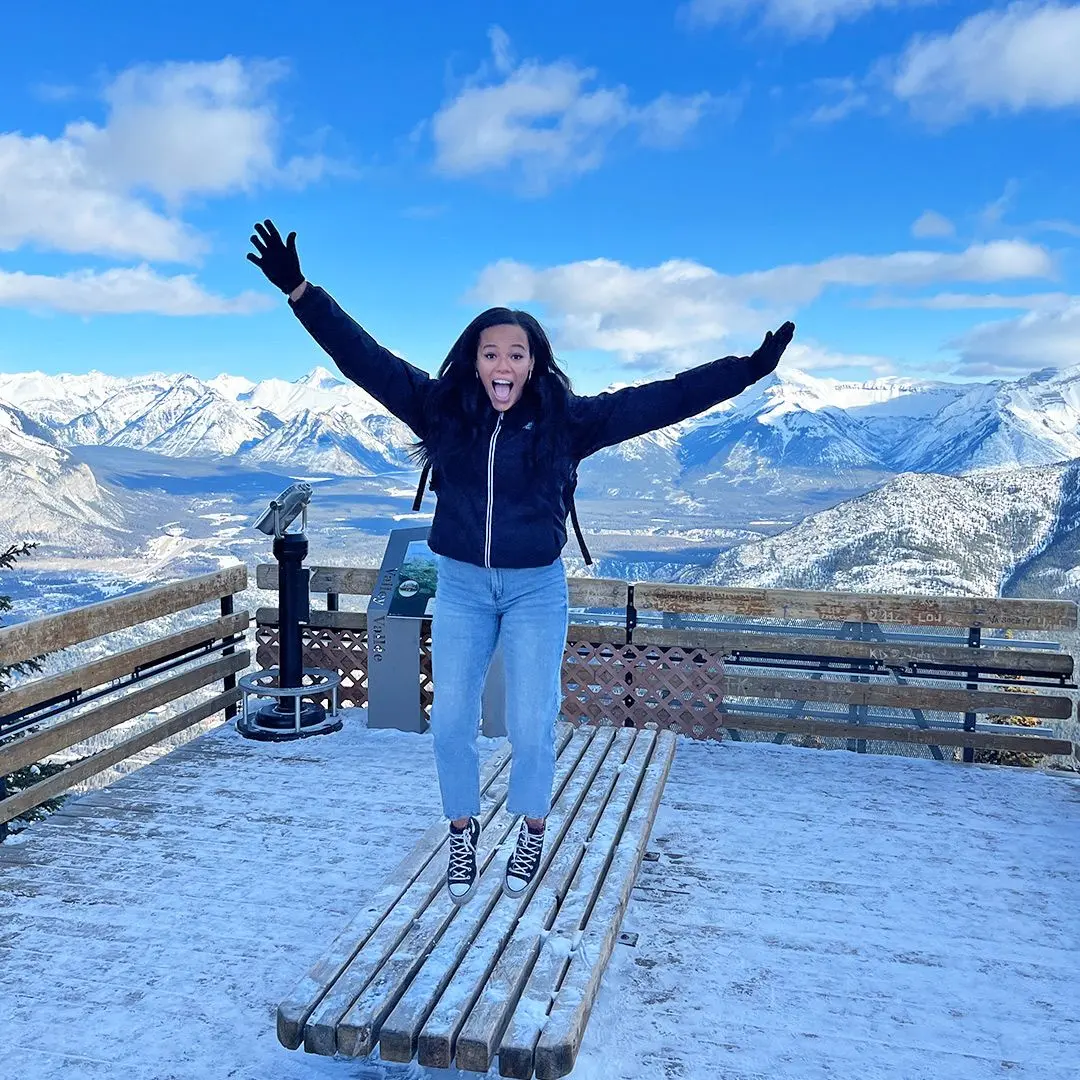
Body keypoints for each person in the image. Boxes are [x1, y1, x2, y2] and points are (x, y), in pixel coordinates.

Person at [247, 219, 794, 905]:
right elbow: (365, 359)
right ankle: (462, 829)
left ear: (534, 362)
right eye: (490, 353)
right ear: (474, 361)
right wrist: (301, 292)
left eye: (516, 353)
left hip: (537, 589)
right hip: (464, 586)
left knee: (532, 723)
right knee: (450, 722)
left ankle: (532, 824)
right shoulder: (440, 411)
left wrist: (745, 371)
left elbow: (663, 399)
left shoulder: (570, 421)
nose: (502, 365)